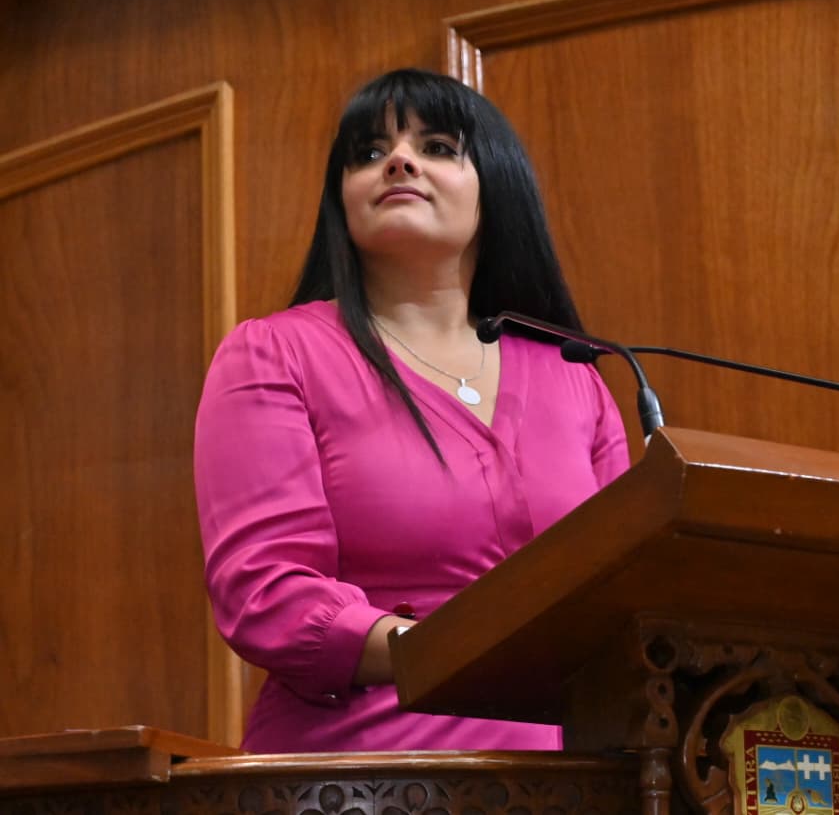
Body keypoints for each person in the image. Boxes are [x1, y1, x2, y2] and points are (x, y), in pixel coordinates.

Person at [194, 68, 630, 754]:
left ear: (496, 184)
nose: (398, 160)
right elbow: (265, 591)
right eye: (369, 152)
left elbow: (623, 593)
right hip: (361, 772)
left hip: (574, 777)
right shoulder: (275, 353)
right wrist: (447, 650)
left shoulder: (575, 374)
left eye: (436, 147)